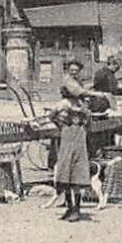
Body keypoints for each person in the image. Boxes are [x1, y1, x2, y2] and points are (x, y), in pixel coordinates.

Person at [51, 79, 93, 222]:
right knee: (66, 173)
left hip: (79, 142)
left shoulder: (83, 107)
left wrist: (83, 122)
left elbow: (89, 120)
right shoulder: (63, 105)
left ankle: (77, 209)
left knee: (78, 174)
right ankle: (69, 207)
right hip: (67, 141)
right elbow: (52, 116)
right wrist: (61, 124)